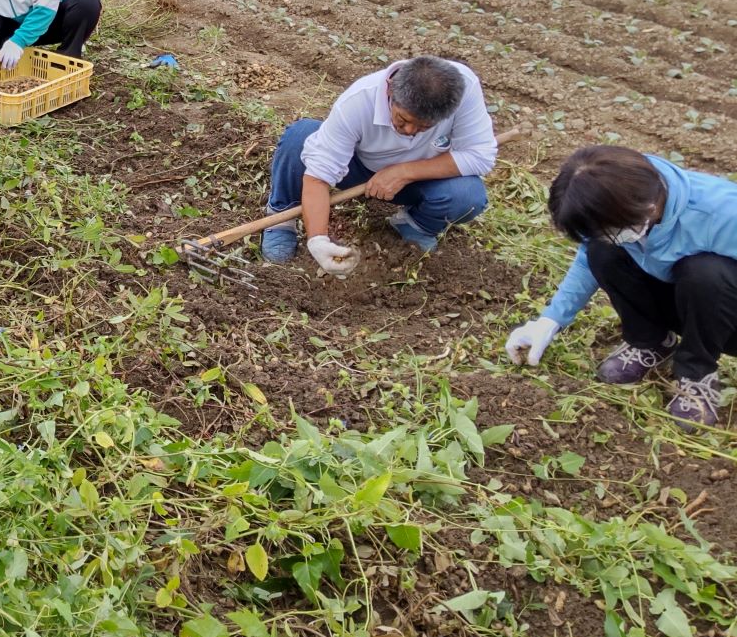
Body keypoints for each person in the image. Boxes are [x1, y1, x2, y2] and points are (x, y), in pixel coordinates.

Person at [505, 146, 737, 429]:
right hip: (681, 297)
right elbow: (588, 257)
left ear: (649, 210)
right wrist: (549, 321)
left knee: (706, 272)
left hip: (725, 314)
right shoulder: (624, 194)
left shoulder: (722, 214)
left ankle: (696, 372)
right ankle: (651, 341)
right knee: (602, 252)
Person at [261, 56, 497, 275]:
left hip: (419, 180)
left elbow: (481, 156)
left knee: (468, 195)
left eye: (424, 127)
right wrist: (318, 241)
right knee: (300, 137)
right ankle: (282, 218)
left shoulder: (463, 88)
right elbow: (317, 177)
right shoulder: (359, 101)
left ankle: (415, 226)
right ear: (390, 91)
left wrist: (404, 172)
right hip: (357, 167)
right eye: (402, 120)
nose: (410, 131)